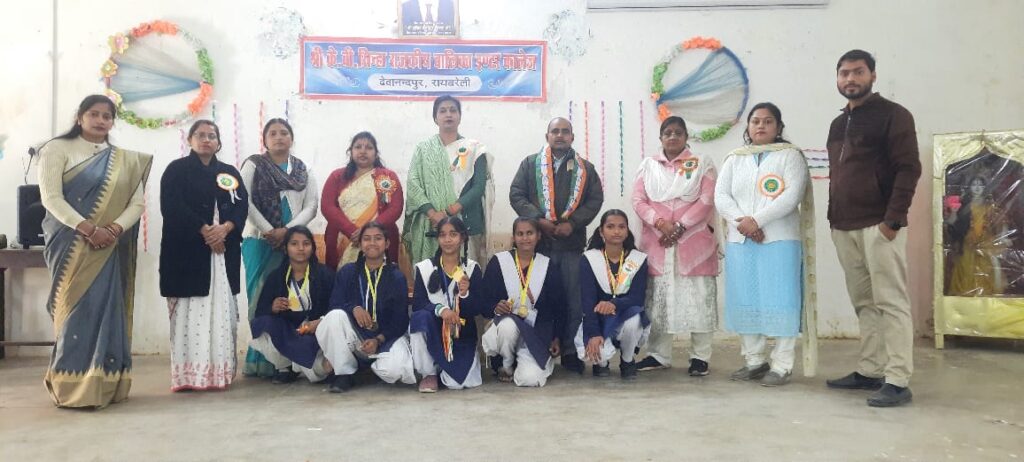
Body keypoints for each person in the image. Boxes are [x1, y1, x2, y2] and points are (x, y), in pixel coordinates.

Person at [37, 94, 153, 408]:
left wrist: (112, 230)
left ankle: (107, 384)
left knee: (108, 308)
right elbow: (51, 198)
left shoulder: (126, 160)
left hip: (109, 245)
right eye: (94, 114)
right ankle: (70, 387)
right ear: (80, 117)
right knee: (74, 311)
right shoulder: (56, 149)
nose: (101, 120)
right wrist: (88, 229)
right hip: (70, 243)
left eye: (107, 116)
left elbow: (137, 204)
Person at [825, 50, 921, 407]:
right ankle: (870, 370)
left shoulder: (894, 115)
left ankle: (897, 379)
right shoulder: (838, 124)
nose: (850, 79)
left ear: (873, 76)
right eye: (844, 73)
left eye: (858, 72)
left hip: (880, 226)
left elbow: (908, 168)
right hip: (844, 226)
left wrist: (893, 220)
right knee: (864, 302)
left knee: (891, 302)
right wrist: (834, 219)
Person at [715, 103, 814, 387]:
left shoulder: (790, 155)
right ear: (748, 127)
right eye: (755, 121)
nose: (761, 126)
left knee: (781, 300)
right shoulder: (735, 158)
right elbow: (721, 196)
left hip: (780, 239)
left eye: (768, 121)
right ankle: (754, 361)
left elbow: (791, 195)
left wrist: (757, 221)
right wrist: (743, 223)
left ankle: (782, 365)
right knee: (746, 299)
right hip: (741, 240)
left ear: (778, 127)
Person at [509, 117, 604, 373]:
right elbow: (516, 194)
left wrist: (573, 223)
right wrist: (538, 220)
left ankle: (570, 351)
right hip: (538, 247)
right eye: (555, 131)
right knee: (538, 299)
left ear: (572, 137)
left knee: (574, 300)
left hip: (571, 245)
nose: (560, 135)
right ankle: (539, 346)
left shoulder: (586, 169)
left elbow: (595, 200)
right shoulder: (530, 164)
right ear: (547, 136)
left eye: (565, 131)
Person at [159, 119, 249, 391]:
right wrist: (205, 231)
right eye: (200, 135)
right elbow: (172, 207)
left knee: (221, 312)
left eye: (212, 135)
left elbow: (241, 206)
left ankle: (220, 374)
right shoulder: (176, 170)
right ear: (190, 140)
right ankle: (189, 377)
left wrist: (226, 229)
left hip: (223, 252)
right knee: (189, 313)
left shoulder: (229, 172)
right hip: (187, 254)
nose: (206, 139)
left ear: (219, 142)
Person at [631, 115, 718, 376]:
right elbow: (638, 200)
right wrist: (660, 223)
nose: (672, 137)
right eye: (667, 132)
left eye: (678, 132)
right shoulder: (648, 165)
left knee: (699, 300)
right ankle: (658, 355)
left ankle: (700, 357)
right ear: (660, 137)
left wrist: (679, 227)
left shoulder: (702, 164)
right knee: (659, 301)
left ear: (686, 137)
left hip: (694, 243)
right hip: (657, 242)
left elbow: (707, 199)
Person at [239, 118, 320, 377]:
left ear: (291, 138)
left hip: (291, 243)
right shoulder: (253, 165)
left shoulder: (303, 170)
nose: (278, 137)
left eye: (284, 132)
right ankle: (259, 358)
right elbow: (243, 200)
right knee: (259, 296)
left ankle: (284, 358)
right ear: (264, 139)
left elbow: (311, 206)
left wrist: (288, 233)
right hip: (258, 240)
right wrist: (268, 230)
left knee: (286, 299)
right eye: (272, 133)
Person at [316, 221, 416, 392]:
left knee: (394, 371)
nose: (372, 243)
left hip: (385, 338)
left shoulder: (396, 277)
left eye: (378, 238)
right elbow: (334, 304)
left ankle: (368, 367)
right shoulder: (347, 272)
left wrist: (379, 340)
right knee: (334, 317)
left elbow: (400, 320)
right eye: (367, 239)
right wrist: (353, 308)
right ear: (360, 244)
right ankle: (344, 373)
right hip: (356, 337)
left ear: (387, 243)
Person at [403, 95, 493, 269]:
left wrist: (449, 211)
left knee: (465, 276)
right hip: (430, 224)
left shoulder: (474, 149)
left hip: (464, 223)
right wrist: (433, 214)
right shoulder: (423, 149)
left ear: (460, 116)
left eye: (453, 110)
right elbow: (414, 184)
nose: (448, 114)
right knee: (430, 275)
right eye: (442, 111)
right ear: (435, 118)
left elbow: (478, 186)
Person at [480, 217, 566, 387]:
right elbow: (483, 301)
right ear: (513, 237)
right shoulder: (499, 262)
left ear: (538, 236)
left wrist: (557, 337)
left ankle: (524, 364)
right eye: (520, 234)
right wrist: (495, 307)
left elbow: (560, 306)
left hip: (536, 333)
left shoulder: (547, 265)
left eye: (529, 233)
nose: (525, 238)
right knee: (508, 326)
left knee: (530, 380)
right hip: (506, 330)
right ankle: (506, 364)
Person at [248, 226, 335, 384]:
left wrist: (320, 322)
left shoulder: (325, 274)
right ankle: (285, 366)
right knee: (262, 324)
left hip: (314, 329)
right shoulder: (276, 276)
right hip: (287, 330)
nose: (300, 248)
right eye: (294, 244)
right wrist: (272, 307)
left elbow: (335, 306)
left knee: (313, 350)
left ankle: (311, 367)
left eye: (306, 243)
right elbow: (260, 311)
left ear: (312, 247)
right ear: (286, 248)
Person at [408, 217, 485, 392]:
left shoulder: (472, 268)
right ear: (437, 239)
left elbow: (477, 308)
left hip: (461, 336)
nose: (447, 239)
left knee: (457, 384)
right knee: (419, 318)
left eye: (453, 234)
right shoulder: (425, 268)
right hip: (433, 331)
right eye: (442, 235)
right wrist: (441, 310)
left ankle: (443, 368)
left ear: (462, 238)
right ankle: (429, 373)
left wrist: (465, 294)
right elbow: (419, 303)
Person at [575, 210, 650, 380]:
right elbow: (588, 300)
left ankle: (627, 360)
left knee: (634, 321)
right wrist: (594, 333)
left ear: (627, 231)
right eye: (610, 227)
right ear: (601, 231)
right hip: (598, 317)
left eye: (621, 227)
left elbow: (637, 297)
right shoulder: (590, 259)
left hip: (625, 313)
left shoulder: (637, 259)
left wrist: (614, 304)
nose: (616, 231)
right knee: (599, 355)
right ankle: (601, 364)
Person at [321, 131, 404, 270]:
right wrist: (351, 231)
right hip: (343, 239)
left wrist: (368, 231)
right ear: (351, 151)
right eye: (358, 147)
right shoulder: (337, 176)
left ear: (376, 153)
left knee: (382, 279)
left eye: (369, 147)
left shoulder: (387, 177)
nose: (363, 151)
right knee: (342, 279)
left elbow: (395, 208)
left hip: (379, 238)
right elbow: (327, 206)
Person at [946, 175, 1011, 296]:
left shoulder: (990, 205)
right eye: (974, 184)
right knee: (966, 269)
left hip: (986, 242)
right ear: (969, 187)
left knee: (987, 267)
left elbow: (1002, 220)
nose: (977, 188)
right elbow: (951, 223)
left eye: (980, 185)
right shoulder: (963, 204)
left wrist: (1004, 236)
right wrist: (954, 212)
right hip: (967, 242)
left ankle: (985, 297)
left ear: (985, 188)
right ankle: (967, 298)